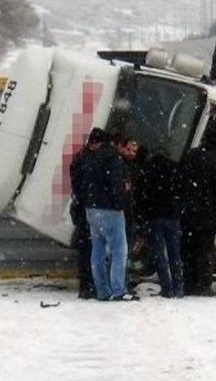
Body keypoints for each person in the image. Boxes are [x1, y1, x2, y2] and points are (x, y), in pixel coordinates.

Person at [70, 127, 137, 301]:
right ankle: (118, 289)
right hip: (110, 210)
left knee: (97, 250)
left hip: (91, 210)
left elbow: (80, 185)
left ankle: (101, 289)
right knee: (118, 251)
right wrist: (120, 203)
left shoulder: (86, 158)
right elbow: (115, 184)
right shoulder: (112, 158)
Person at [179, 119, 216, 296]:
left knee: (186, 248)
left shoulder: (190, 155)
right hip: (207, 218)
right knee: (203, 250)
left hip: (186, 213)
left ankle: (185, 281)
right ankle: (201, 285)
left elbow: (179, 182)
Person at [138, 154, 184, 298]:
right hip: (172, 217)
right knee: (174, 253)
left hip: (155, 217)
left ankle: (167, 287)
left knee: (159, 254)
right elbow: (182, 194)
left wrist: (144, 212)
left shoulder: (148, 173)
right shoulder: (175, 173)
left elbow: (141, 195)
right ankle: (178, 287)